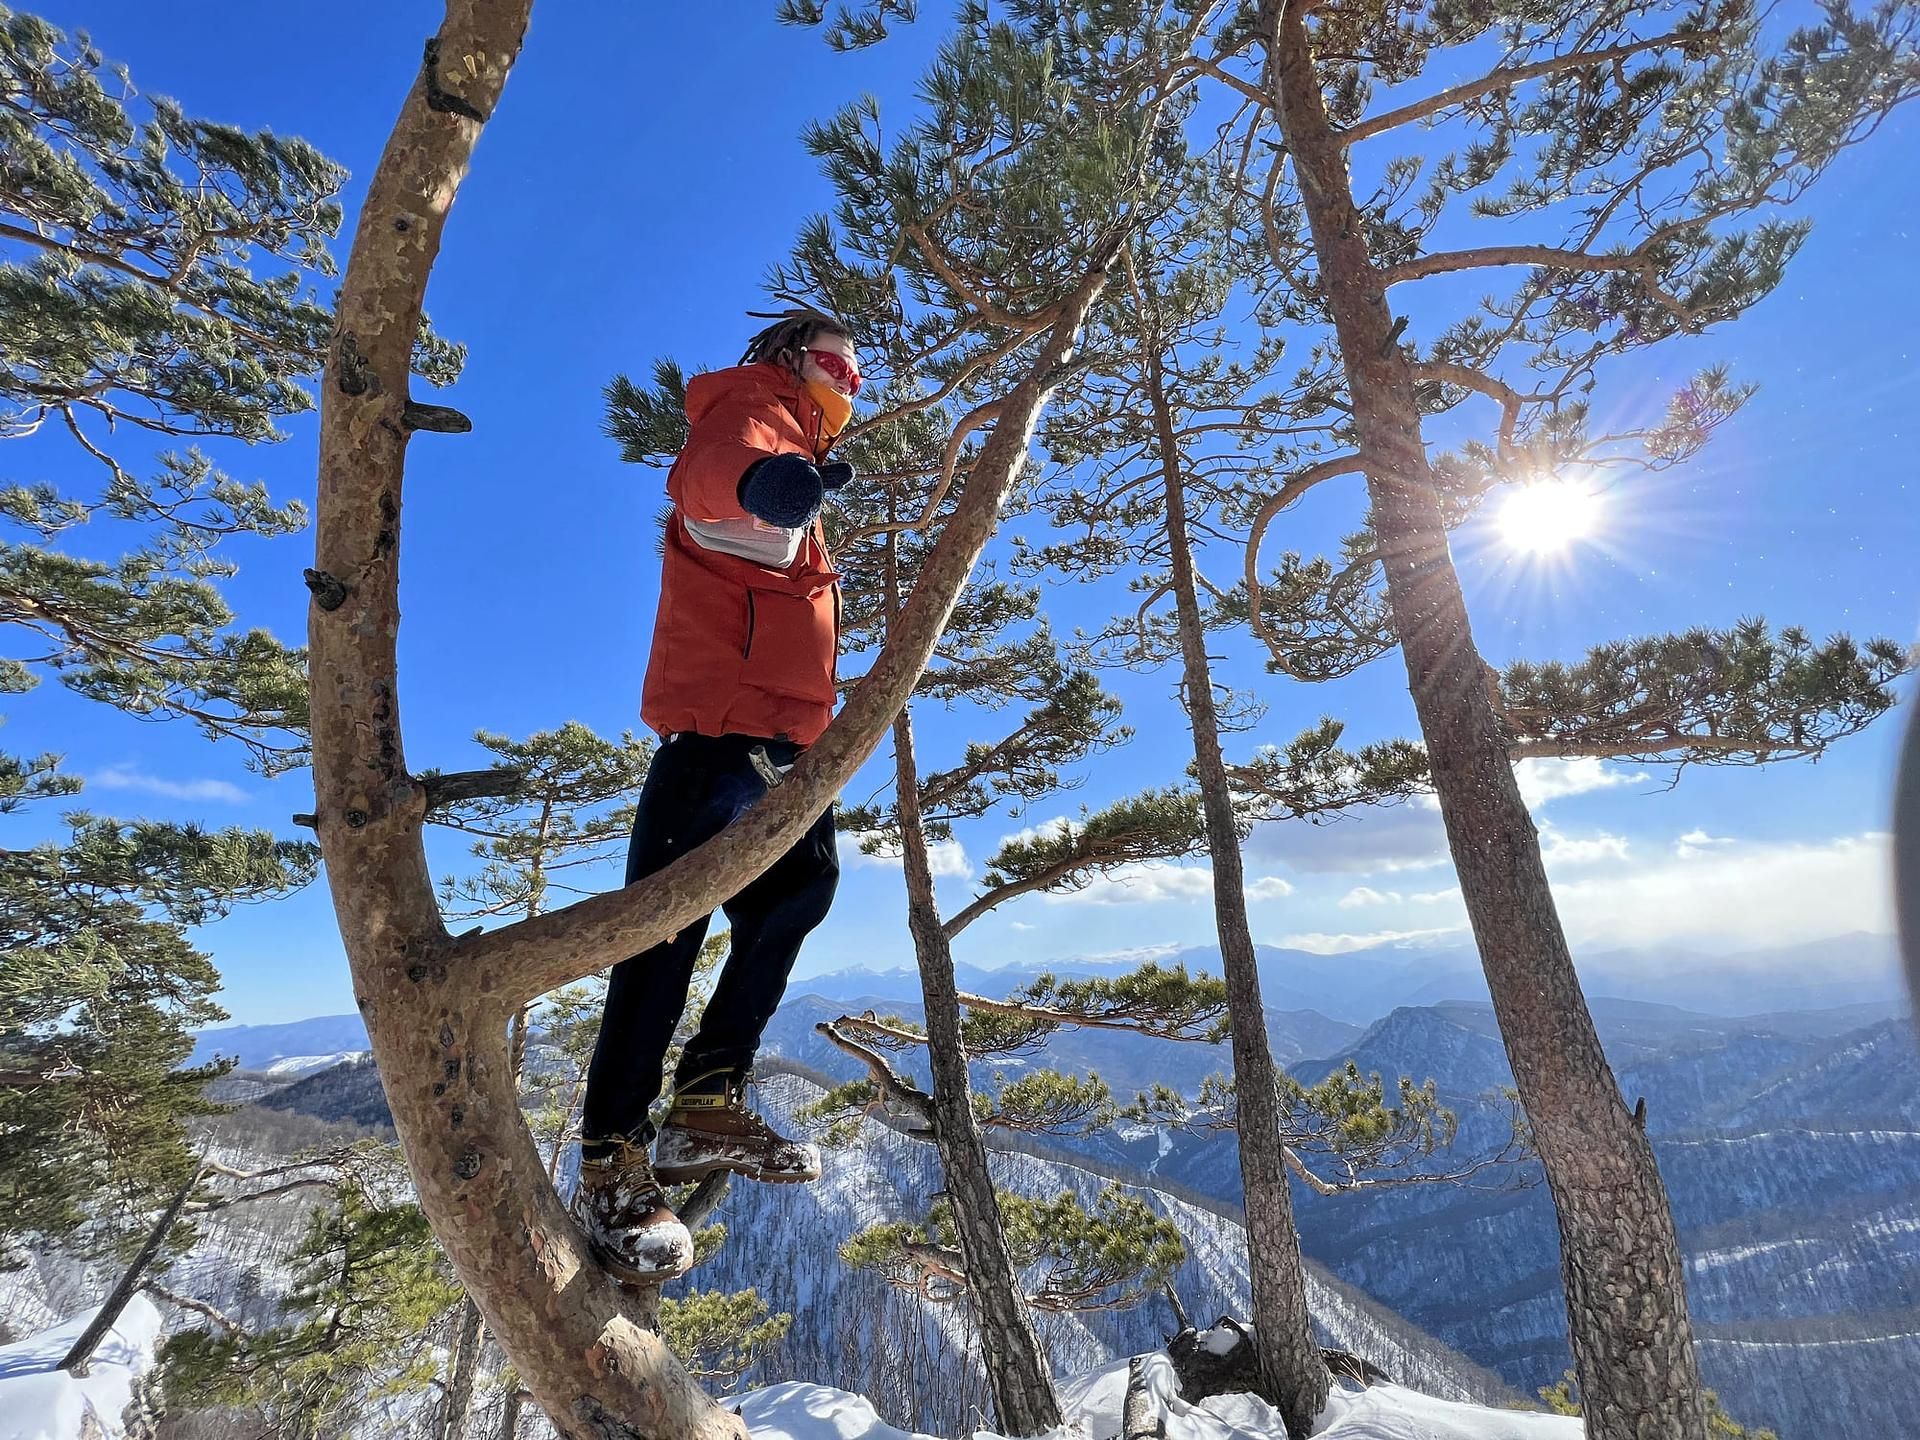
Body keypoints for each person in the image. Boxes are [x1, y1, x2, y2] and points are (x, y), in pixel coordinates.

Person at [570, 309, 861, 1284]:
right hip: (719, 736)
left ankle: (704, 1101)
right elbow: (705, 479)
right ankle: (612, 1157)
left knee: (799, 892)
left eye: (855, 380)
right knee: (663, 936)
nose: (846, 389)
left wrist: (795, 489)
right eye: (835, 367)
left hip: (780, 746)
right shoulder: (752, 407)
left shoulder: (799, 448)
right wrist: (764, 483)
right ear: (790, 363)